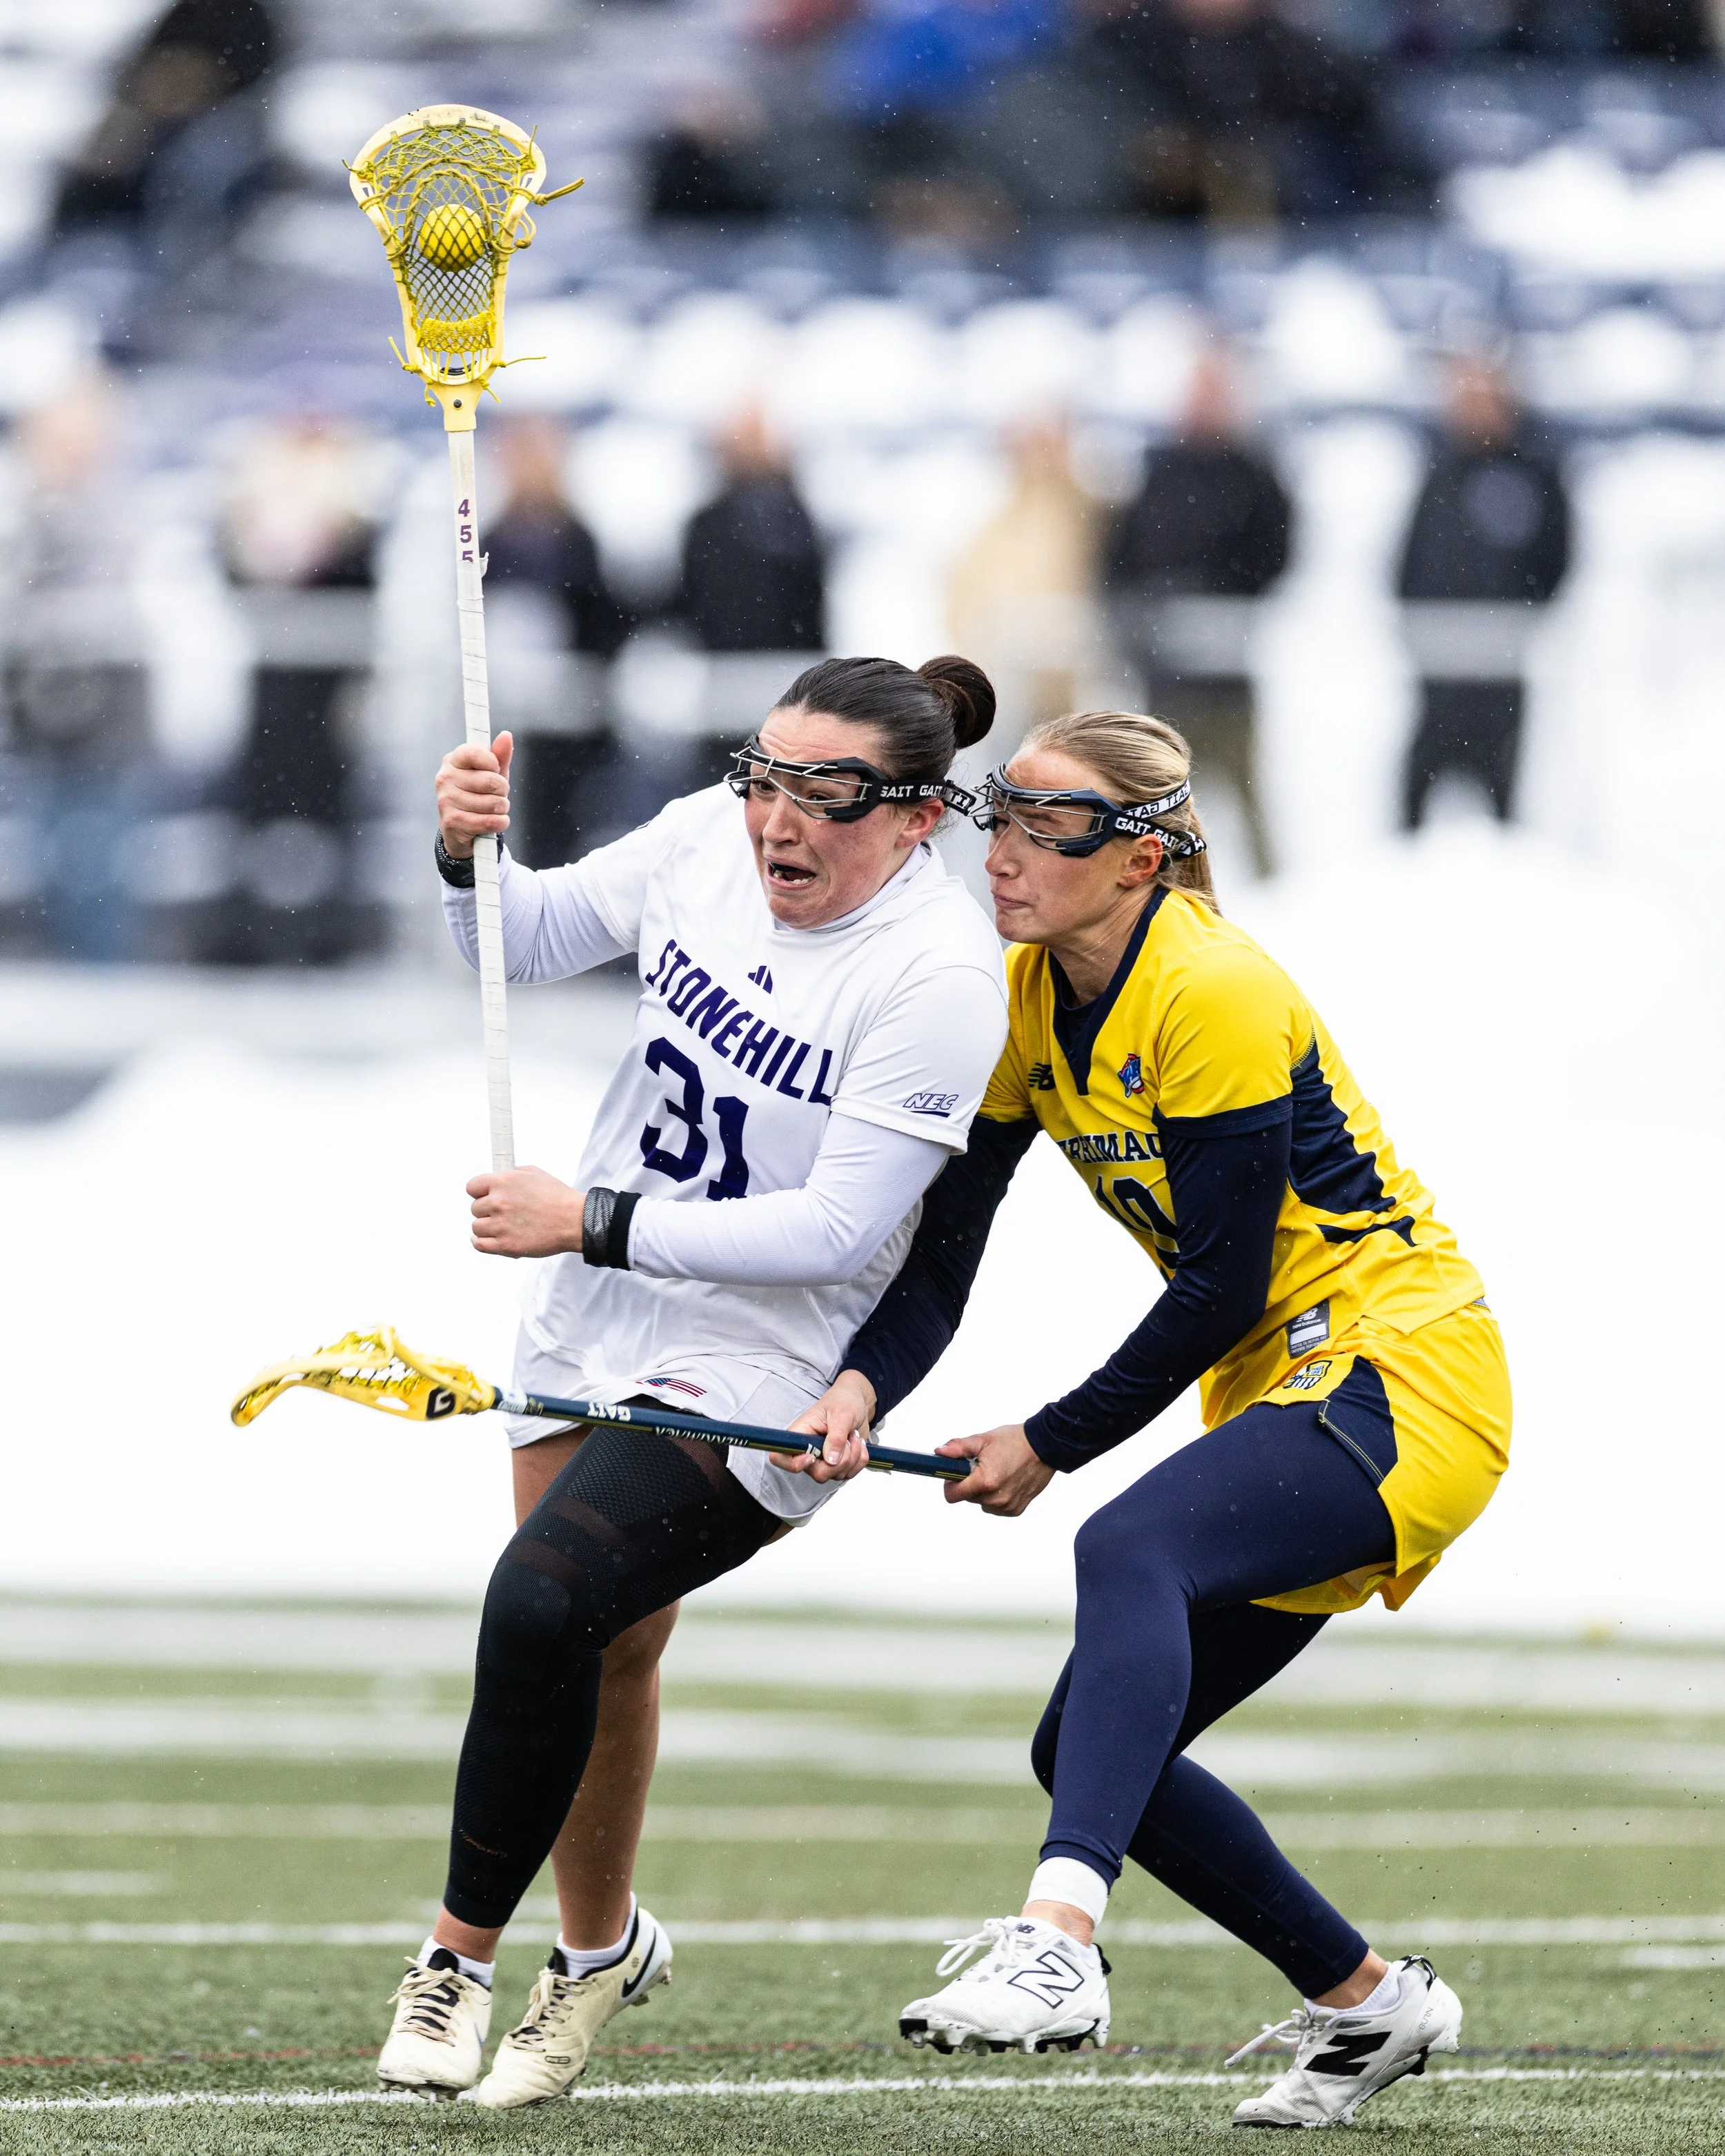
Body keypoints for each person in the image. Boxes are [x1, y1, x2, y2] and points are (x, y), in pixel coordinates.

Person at [798, 706, 1511, 2130]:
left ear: (1139, 856)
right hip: (1284, 1390)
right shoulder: (1019, 995)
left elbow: (1218, 1285)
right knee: (1085, 1750)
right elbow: (941, 1259)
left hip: (1403, 1370)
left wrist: (1049, 1438)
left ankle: (1057, 1940)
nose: (1004, 850)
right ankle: (1366, 1997)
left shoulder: (1212, 986)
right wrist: (862, 1384)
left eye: (1049, 824)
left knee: (1128, 1547)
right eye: (999, 814)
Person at [377, 655, 1007, 2107]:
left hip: (762, 1347)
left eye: (826, 796)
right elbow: (521, 942)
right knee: (602, 1643)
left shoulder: (939, 972)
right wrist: (469, 852)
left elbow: (836, 1230)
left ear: (917, 817)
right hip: (598, 1298)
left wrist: (589, 1215)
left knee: (542, 1599)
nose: (778, 820)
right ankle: (601, 1950)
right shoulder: (703, 840)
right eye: (763, 776)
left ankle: (456, 1959)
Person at [1105, 349, 1288, 876]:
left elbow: (1276, 552)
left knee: (1246, 793)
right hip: (1166, 678)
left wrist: (1220, 598)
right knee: (1157, 802)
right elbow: (1122, 558)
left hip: (1229, 675)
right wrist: (1148, 616)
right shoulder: (1158, 474)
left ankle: (1275, 896)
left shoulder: (1253, 475)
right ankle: (1153, 889)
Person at [1398, 355, 1570, 831]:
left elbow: (1556, 558)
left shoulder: (1534, 472)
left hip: (1501, 673)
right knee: (1414, 802)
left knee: (1503, 804)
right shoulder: (1440, 471)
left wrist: (1518, 622)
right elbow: (1411, 560)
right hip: (1438, 672)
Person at [483, 415, 631, 867]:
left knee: (563, 827)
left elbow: (604, 622)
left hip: (570, 721)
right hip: (506, 714)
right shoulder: (491, 540)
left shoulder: (578, 540)